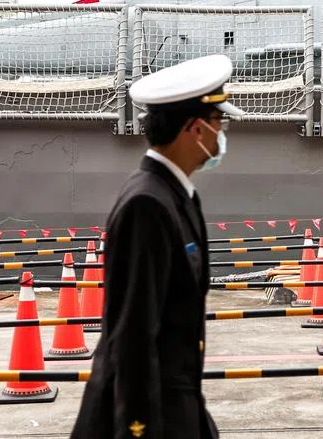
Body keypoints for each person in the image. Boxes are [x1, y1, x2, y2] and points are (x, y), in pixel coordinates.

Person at [71, 54, 243, 439]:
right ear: (196, 129)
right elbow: (133, 330)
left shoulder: (176, 196)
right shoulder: (147, 204)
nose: (223, 133)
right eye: (219, 123)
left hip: (177, 401)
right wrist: (138, 428)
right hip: (147, 412)